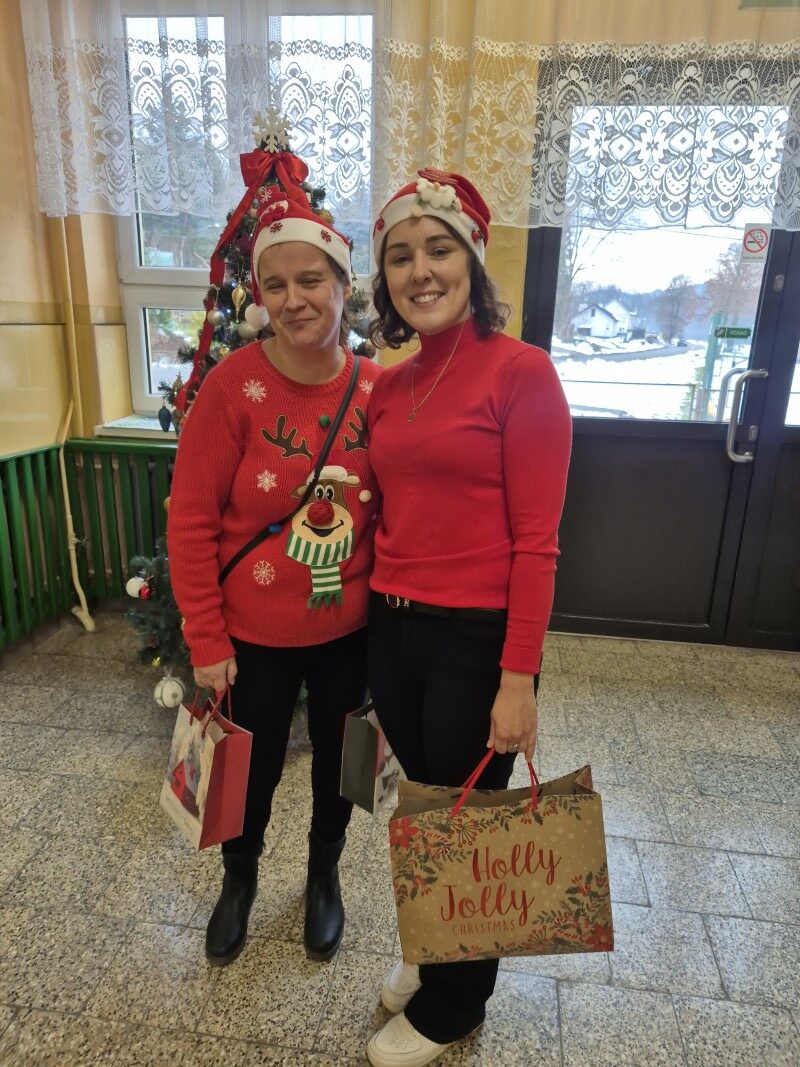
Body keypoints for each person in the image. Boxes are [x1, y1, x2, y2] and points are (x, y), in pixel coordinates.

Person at [364, 170, 572, 1066]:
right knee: (426, 809)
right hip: (392, 627)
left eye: (439, 249)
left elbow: (538, 542)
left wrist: (518, 678)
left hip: (474, 640)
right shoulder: (387, 385)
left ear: (473, 260)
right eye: (401, 256)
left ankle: (456, 1004)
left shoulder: (523, 373)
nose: (421, 271)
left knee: (470, 824)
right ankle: (433, 942)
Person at [167, 170, 380, 968]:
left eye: (311, 280)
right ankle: (240, 875)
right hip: (251, 635)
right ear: (259, 294)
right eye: (277, 284)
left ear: (344, 286)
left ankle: (325, 870)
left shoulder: (377, 390)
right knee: (246, 772)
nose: (295, 299)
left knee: (341, 764)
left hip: (349, 631)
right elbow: (190, 520)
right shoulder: (232, 389)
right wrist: (205, 637)